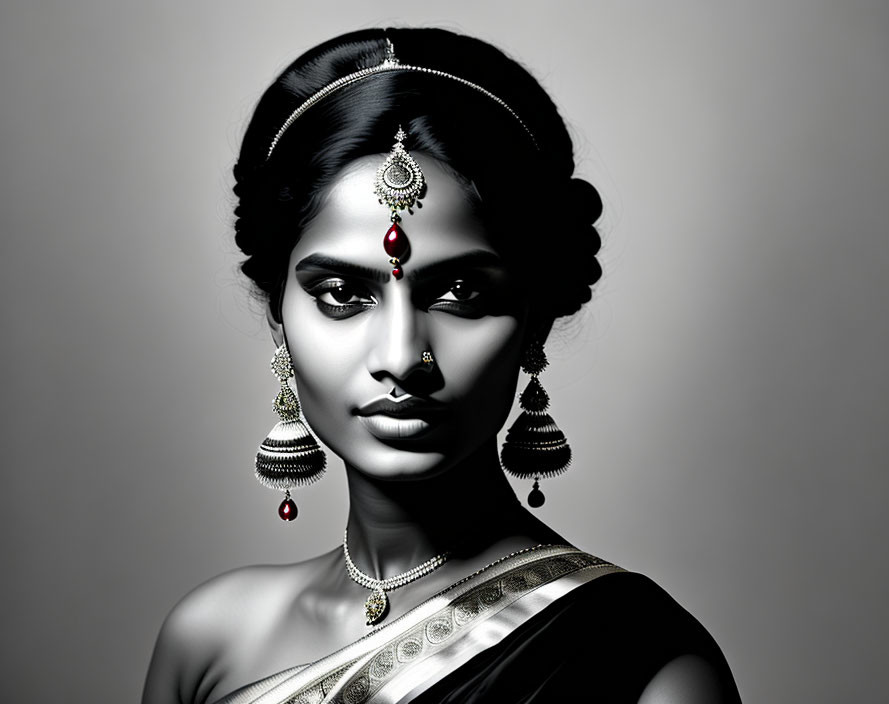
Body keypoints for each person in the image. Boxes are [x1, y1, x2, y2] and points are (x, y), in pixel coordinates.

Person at [142, 28, 741, 704]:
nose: (402, 357)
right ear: (279, 313)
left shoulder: (641, 665)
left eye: (460, 293)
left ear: (535, 316)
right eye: (343, 294)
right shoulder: (208, 642)